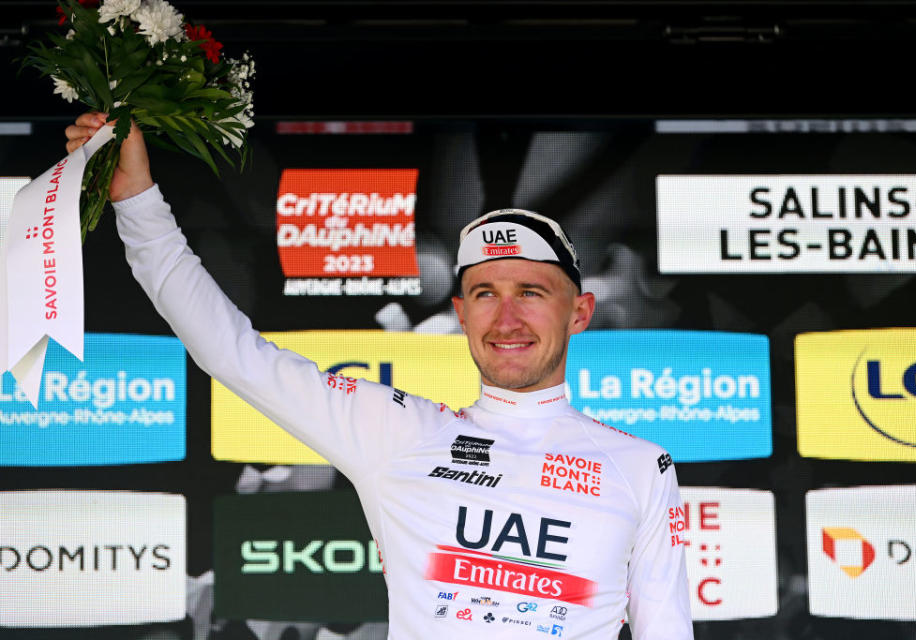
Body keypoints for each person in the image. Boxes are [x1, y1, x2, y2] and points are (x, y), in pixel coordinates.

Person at [66, 113, 694, 640]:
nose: (507, 317)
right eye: (483, 293)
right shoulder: (397, 431)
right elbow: (230, 351)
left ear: (580, 310)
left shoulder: (641, 467)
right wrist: (136, 200)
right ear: (460, 312)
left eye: (532, 291)